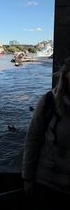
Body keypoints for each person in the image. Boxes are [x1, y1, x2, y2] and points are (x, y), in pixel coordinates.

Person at [23, 57, 70, 207]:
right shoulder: (49, 100)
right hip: (48, 184)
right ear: (67, 74)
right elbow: (32, 140)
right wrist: (28, 177)